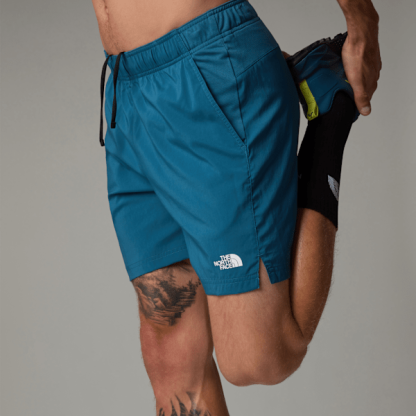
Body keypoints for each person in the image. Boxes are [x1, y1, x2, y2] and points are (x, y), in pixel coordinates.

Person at [91, 0, 381, 414]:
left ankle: (331, 110)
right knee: (170, 353)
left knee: (258, 358)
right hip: (127, 93)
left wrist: (362, 19)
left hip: (206, 71)